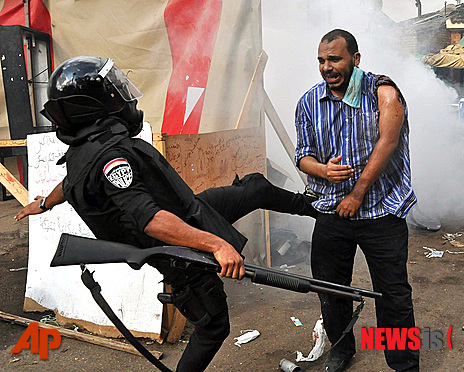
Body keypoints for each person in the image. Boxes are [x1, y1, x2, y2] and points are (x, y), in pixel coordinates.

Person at [16, 55, 317, 372]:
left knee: (254, 189)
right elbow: (151, 220)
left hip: (190, 212)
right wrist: (216, 245)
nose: (124, 95)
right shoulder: (111, 158)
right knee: (213, 326)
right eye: (114, 90)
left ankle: (318, 209)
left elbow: (69, 182)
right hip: (179, 249)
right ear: (96, 104)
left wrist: (43, 203)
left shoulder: (87, 146)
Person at [294, 29, 419, 372]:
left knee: (393, 295)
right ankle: (341, 348)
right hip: (333, 211)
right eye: (321, 60)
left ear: (355, 59)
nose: (327, 67)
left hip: (382, 211)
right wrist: (322, 170)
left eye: (335, 59)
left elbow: (388, 143)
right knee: (331, 290)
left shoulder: (384, 94)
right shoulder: (308, 102)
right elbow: (302, 155)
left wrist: (356, 192)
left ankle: (404, 363)